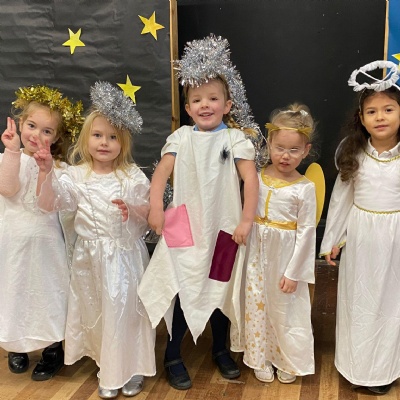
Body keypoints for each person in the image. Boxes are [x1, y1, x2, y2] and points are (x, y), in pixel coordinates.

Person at [138, 34, 261, 390]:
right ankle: (172, 354)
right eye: (196, 100)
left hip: (223, 228)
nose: (205, 105)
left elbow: (250, 180)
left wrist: (246, 220)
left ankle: (220, 349)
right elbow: (161, 174)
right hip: (184, 226)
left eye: (212, 98)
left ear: (226, 104)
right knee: (181, 286)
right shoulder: (180, 138)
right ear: (188, 108)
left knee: (220, 288)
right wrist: (156, 207)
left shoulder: (235, 140)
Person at [34, 81, 156, 399]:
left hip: (125, 257)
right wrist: (45, 173)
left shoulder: (131, 175)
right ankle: (109, 368)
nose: (104, 143)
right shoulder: (75, 176)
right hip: (90, 260)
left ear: (123, 142)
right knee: (99, 313)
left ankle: (132, 368)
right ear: (86, 138)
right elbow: (51, 203)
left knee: (127, 313)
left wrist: (132, 211)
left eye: (112, 137)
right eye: (98, 135)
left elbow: (147, 215)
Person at [320, 60, 400, 395]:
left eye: (388, 109)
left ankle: (384, 369)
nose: (380, 117)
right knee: (360, 302)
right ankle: (357, 366)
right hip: (362, 239)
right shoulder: (353, 154)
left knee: (392, 305)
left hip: (395, 242)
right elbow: (341, 201)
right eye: (371, 111)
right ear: (361, 118)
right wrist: (333, 240)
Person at [0, 85, 83, 381]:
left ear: (57, 137)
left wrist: (46, 171)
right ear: (20, 123)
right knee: (15, 291)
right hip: (12, 243)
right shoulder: (8, 157)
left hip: (47, 246)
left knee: (48, 293)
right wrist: (12, 152)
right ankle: (17, 345)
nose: (37, 135)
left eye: (47, 131)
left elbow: (46, 204)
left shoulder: (60, 168)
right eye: (32, 126)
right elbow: (8, 189)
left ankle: (52, 347)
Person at [241, 104, 316, 384]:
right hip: (256, 254)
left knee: (286, 309)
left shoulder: (305, 188)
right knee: (257, 304)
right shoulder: (257, 177)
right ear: (269, 144)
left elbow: (307, 232)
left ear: (306, 151)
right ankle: (259, 356)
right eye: (279, 148)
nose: (285, 156)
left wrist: (294, 272)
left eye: (294, 150)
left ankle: (288, 359)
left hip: (285, 258)